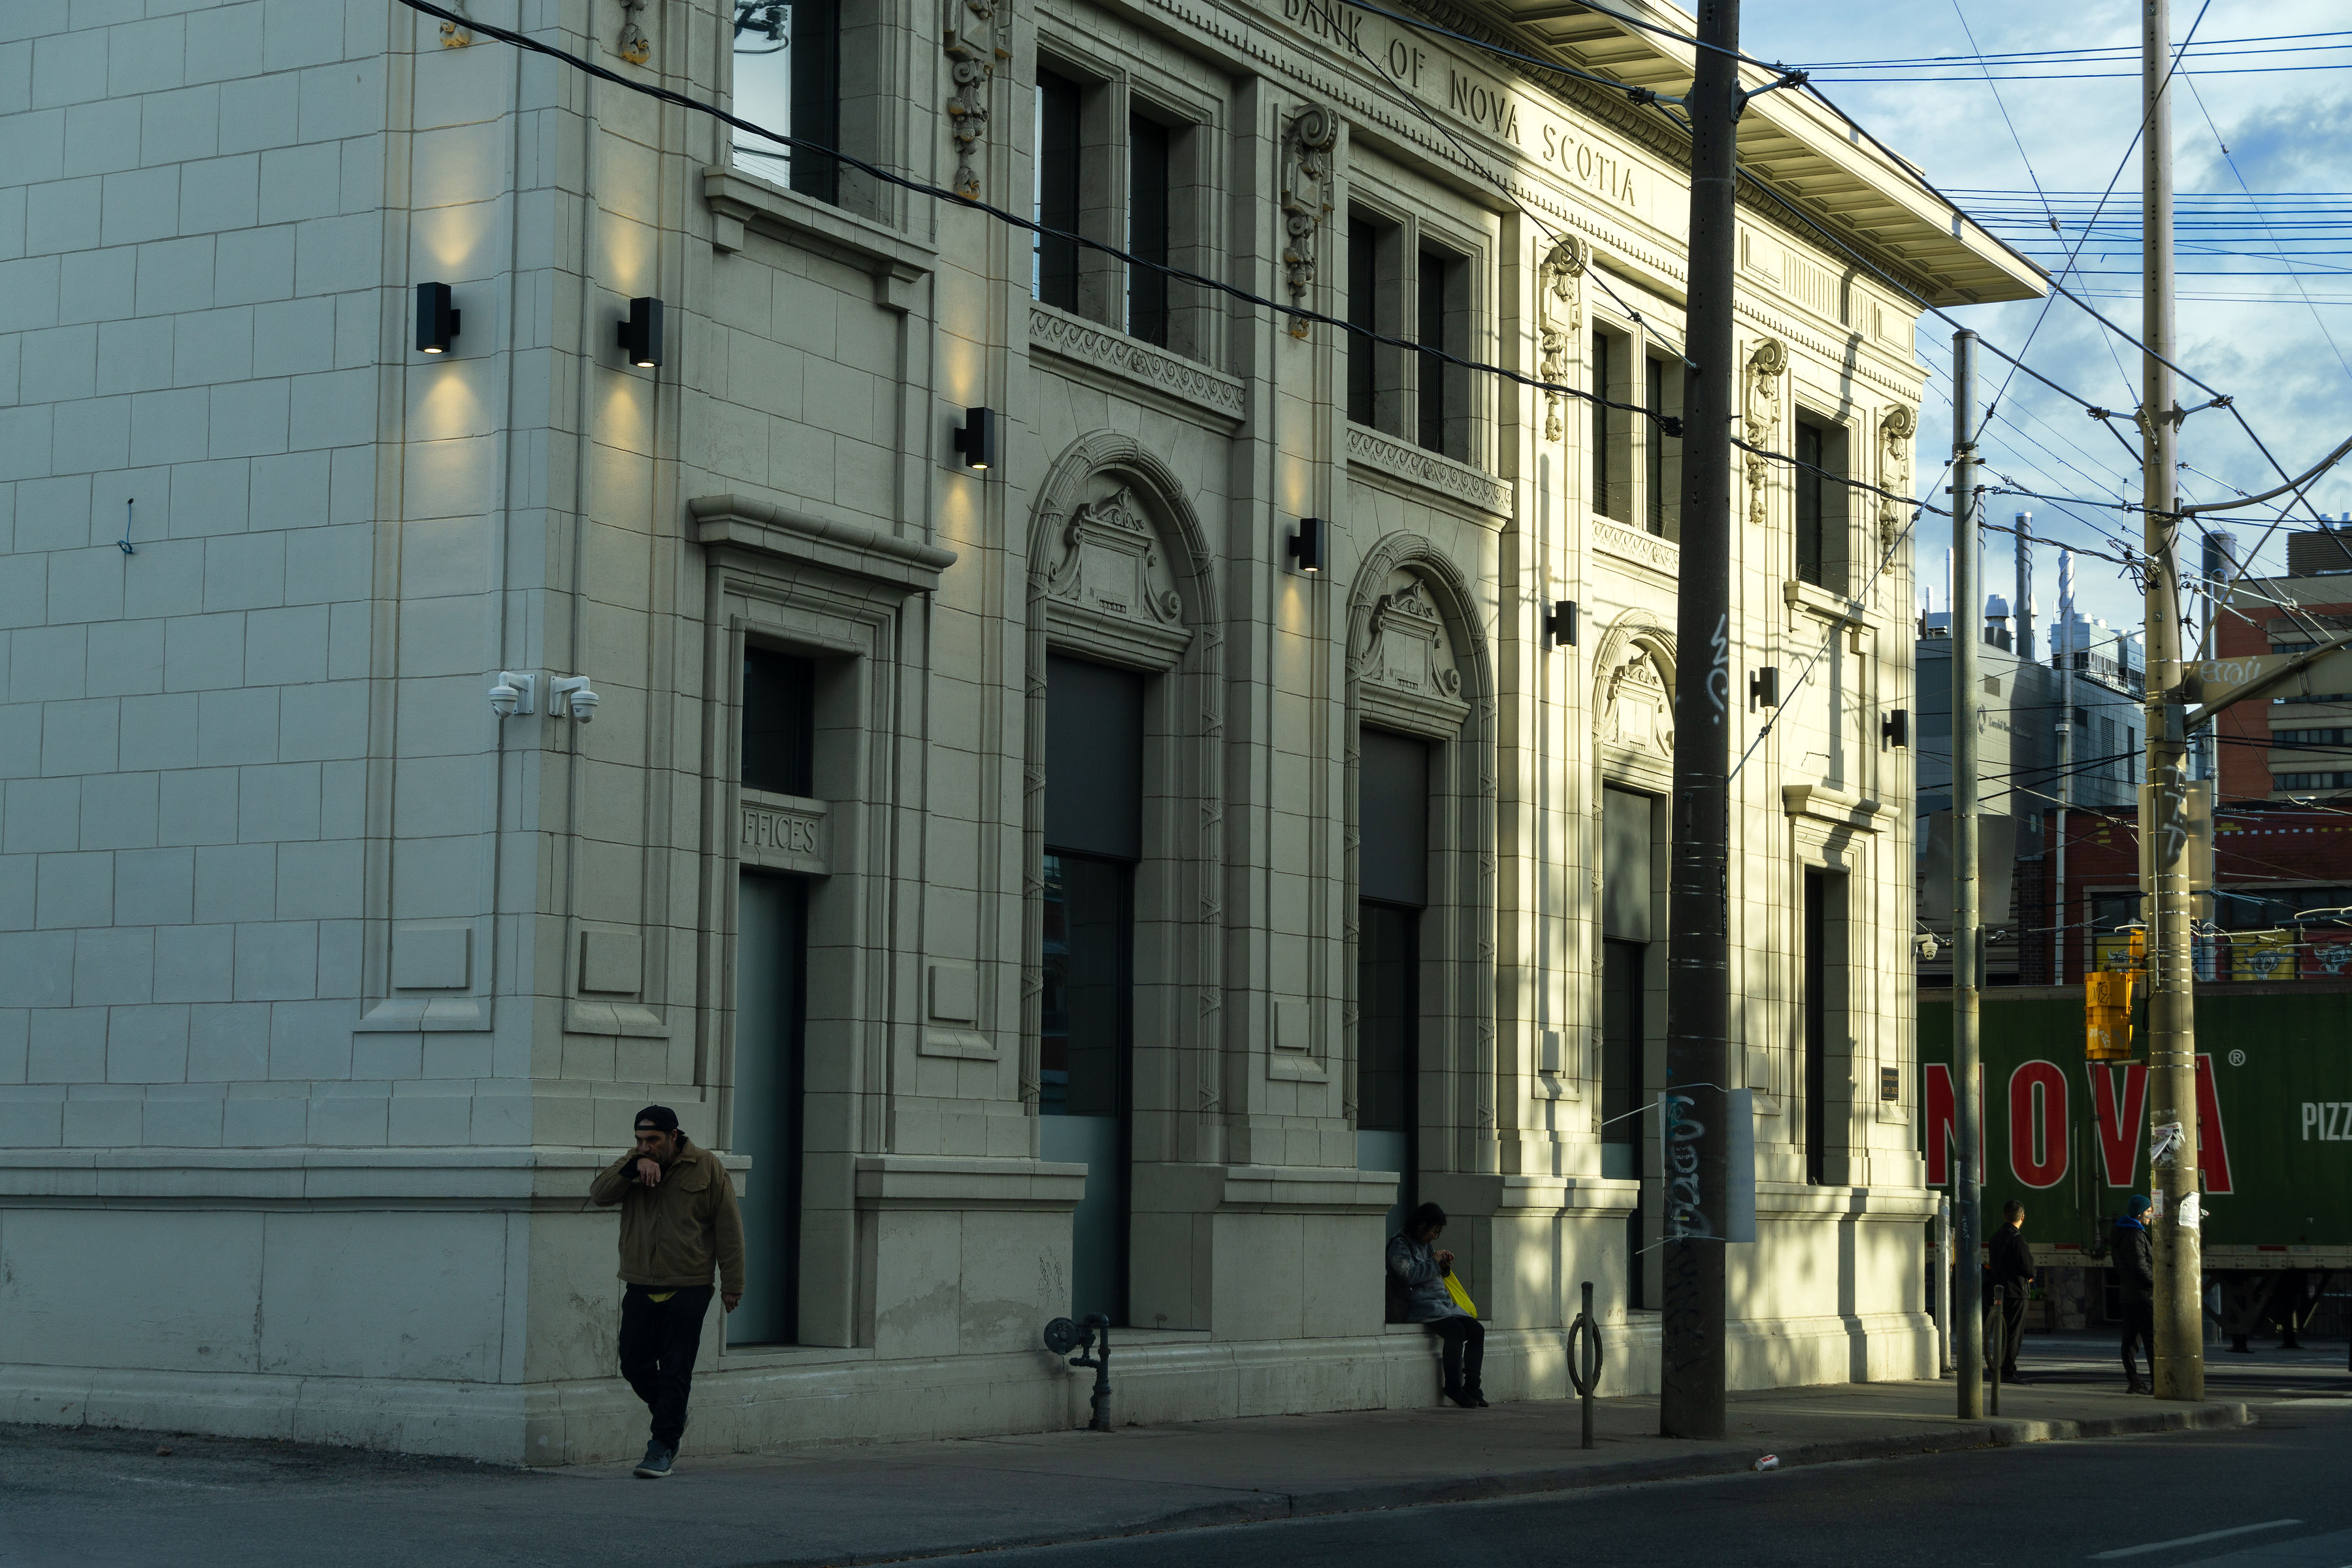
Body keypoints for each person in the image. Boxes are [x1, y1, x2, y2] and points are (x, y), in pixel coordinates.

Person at [589, 1105, 746, 1477]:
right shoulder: (632, 1163)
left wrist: (733, 1283)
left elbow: (728, 1228)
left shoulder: (707, 1167)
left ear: (674, 1136)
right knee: (633, 1364)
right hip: (640, 1282)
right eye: (640, 1139)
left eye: (653, 1140)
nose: (645, 1146)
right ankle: (672, 1412)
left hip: (690, 1285)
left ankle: (661, 1446)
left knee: (676, 1368)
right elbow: (599, 1194)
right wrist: (633, 1165)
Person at [1386, 1201, 1485, 1408]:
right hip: (1420, 1306)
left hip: (1441, 1304)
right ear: (1422, 1225)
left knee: (1477, 1330)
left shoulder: (1425, 1244)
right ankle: (1453, 1387)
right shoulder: (1400, 1244)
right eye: (1434, 1231)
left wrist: (1443, 1266)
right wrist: (1433, 1261)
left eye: (1438, 1233)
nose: (1434, 1236)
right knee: (1456, 1331)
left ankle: (1473, 1387)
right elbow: (1408, 1275)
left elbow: (1430, 1272)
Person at [2112, 1194, 2156, 1394]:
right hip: (2143, 1296)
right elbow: (2141, 1267)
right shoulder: (2135, 1235)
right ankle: (2157, 1382)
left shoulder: (2121, 1232)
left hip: (2128, 1294)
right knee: (2150, 1341)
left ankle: (2134, 1380)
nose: (2151, 1215)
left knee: (2130, 1340)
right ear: (2139, 1214)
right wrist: (2157, 1283)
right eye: (2148, 1211)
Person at [1987, 1199, 2034, 1383]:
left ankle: (1998, 1365)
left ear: (2004, 1216)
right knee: (2014, 1333)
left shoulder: (1995, 1238)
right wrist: (2030, 1275)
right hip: (2017, 1291)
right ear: (2023, 1217)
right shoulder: (2018, 1240)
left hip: (1999, 1290)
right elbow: (2028, 1267)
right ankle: (2007, 1370)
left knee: (2001, 1332)